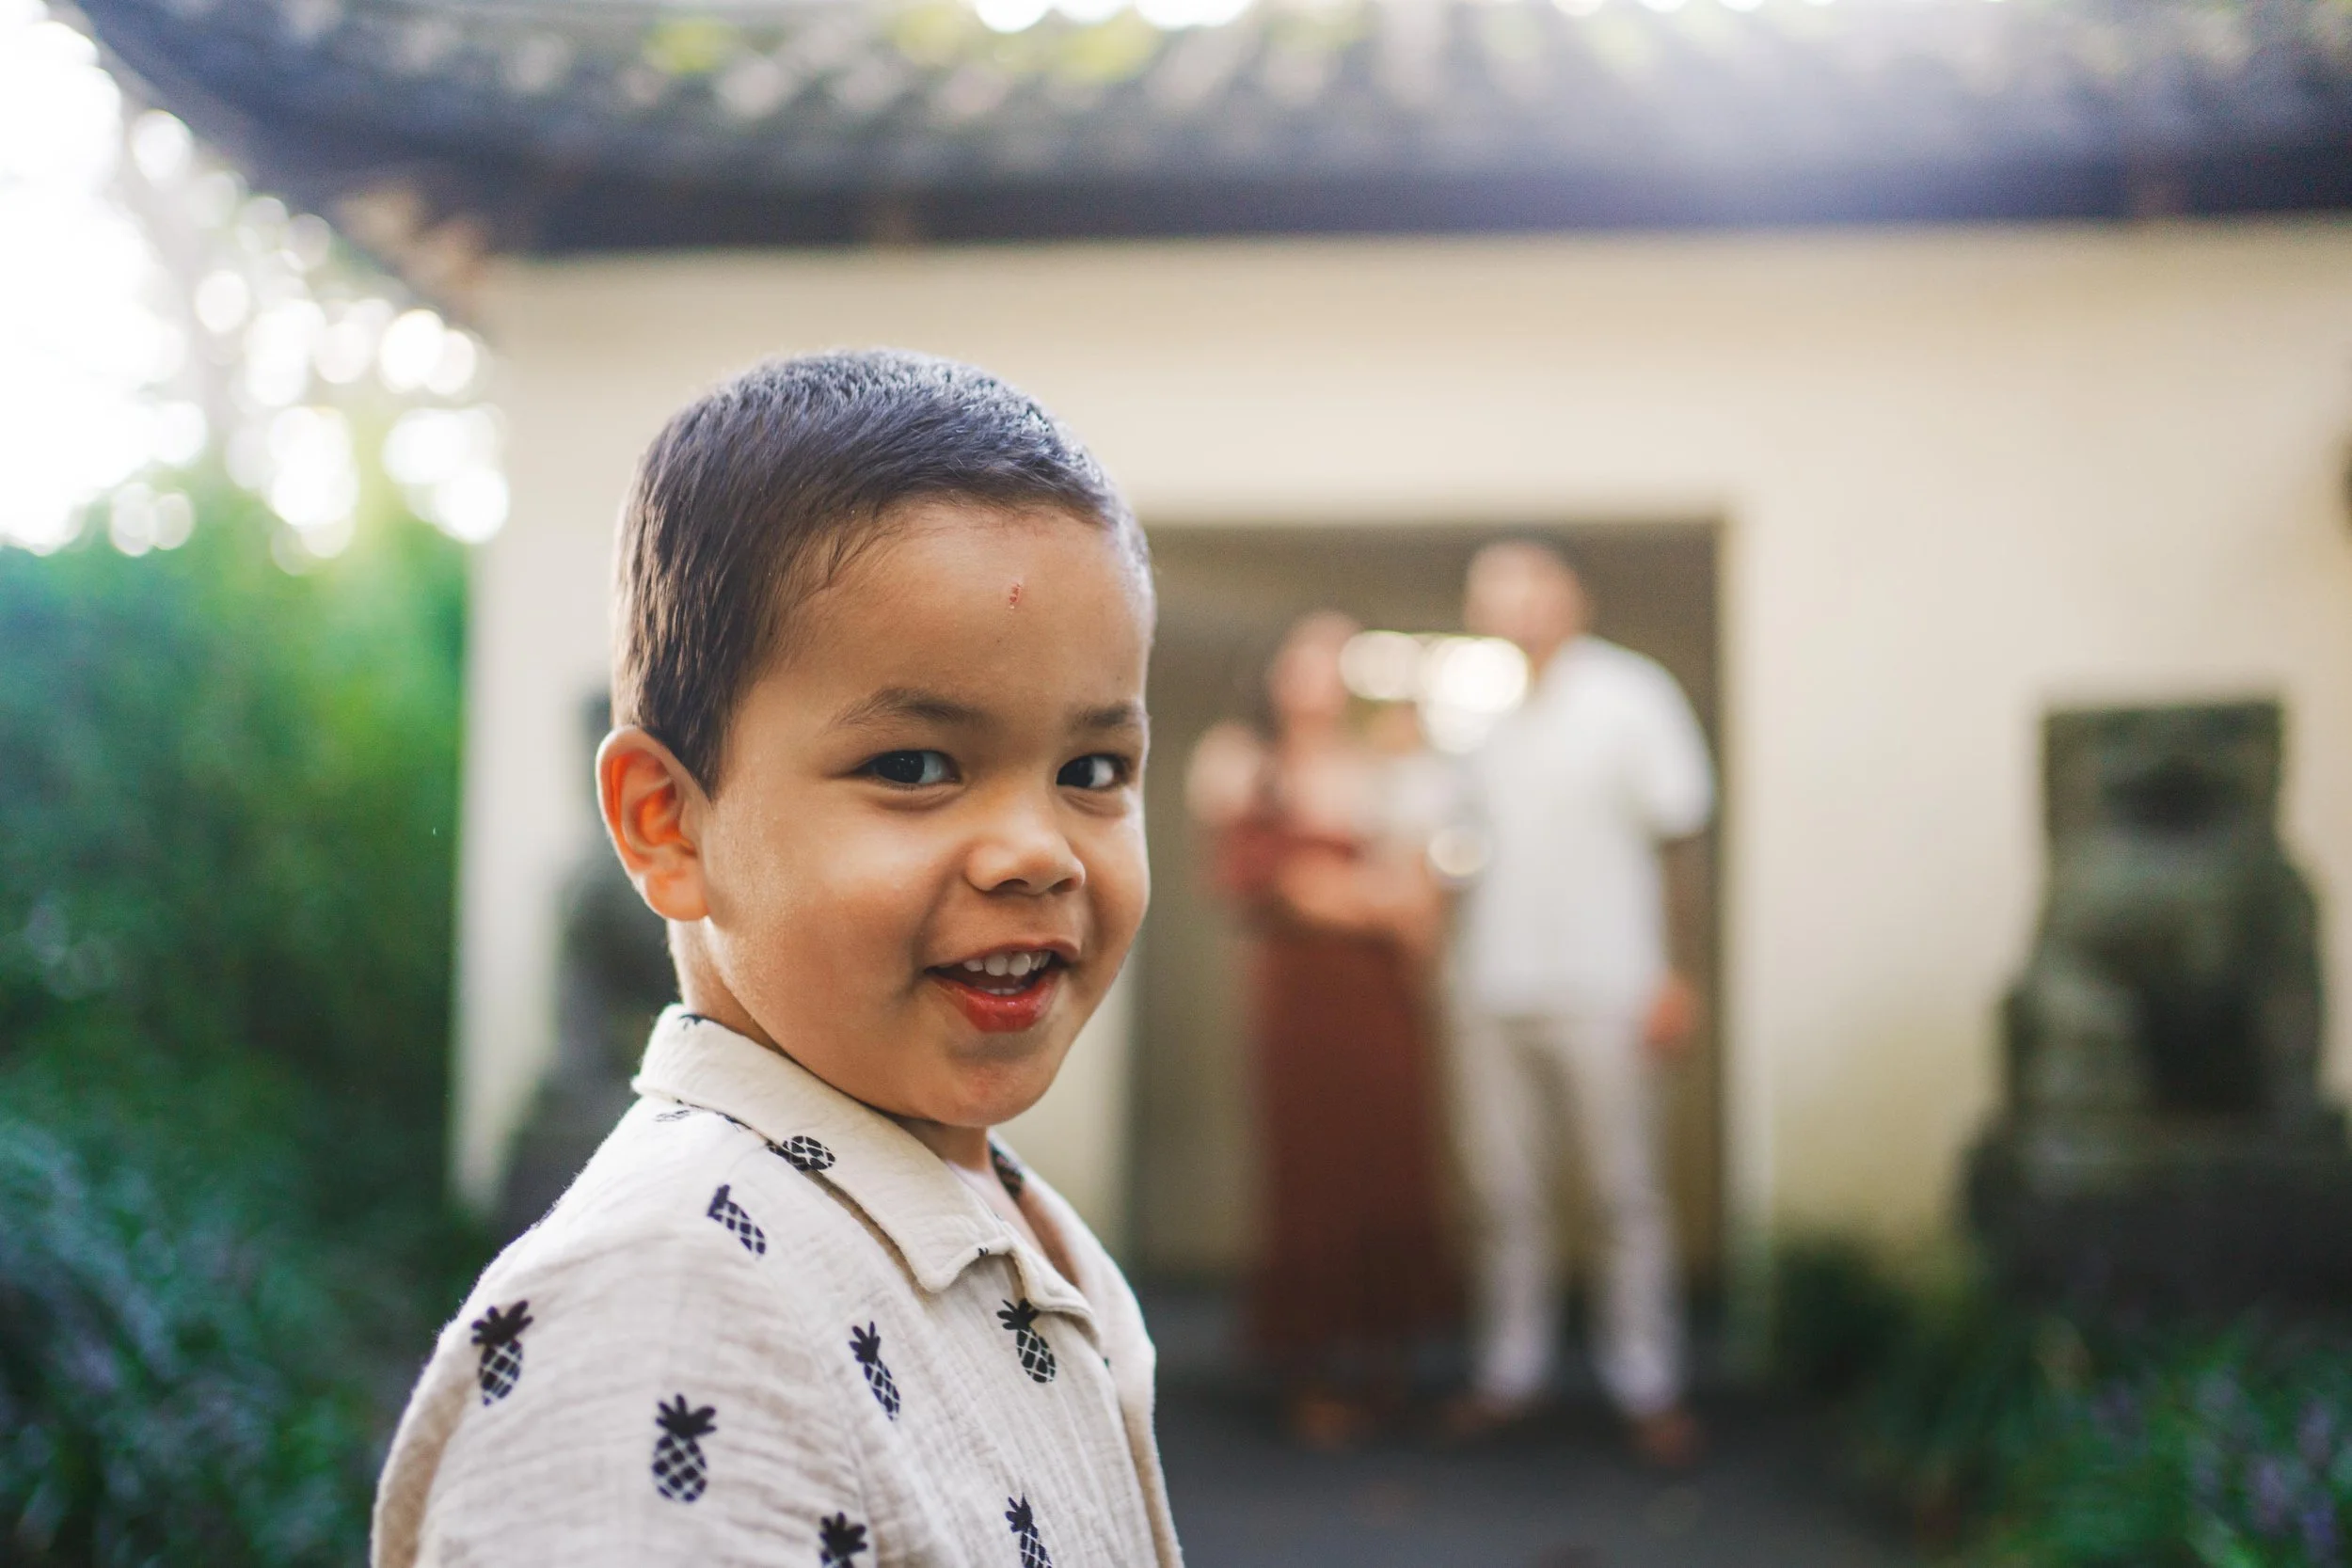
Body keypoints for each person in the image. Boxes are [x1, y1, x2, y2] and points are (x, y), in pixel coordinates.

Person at [373, 351, 1181, 1565]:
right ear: (668, 820)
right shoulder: (664, 1306)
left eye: (1092, 770)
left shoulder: (1007, 1221)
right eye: (915, 766)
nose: (1035, 850)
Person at [1445, 540, 1714, 1468]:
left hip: (1611, 984)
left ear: (1571, 596)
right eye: (1491, 593)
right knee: (1502, 1191)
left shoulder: (1633, 696)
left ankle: (1649, 1385)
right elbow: (1460, 855)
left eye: (1525, 586)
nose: (1509, 606)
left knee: (1621, 1192)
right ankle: (1507, 1373)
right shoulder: (1481, 716)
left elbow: (1681, 836)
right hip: (1492, 987)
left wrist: (1680, 973)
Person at [1188, 612, 1455, 1449]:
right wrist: (1360, 895)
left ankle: (1386, 1363)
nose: (1323, 677)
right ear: (1274, 670)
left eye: (1335, 662)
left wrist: (1350, 894)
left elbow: (1416, 902)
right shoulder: (1237, 760)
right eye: (1308, 658)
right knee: (1311, 1167)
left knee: (1389, 1157)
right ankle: (1309, 1370)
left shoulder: (1381, 766)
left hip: (1380, 997)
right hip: (1298, 996)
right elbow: (1272, 884)